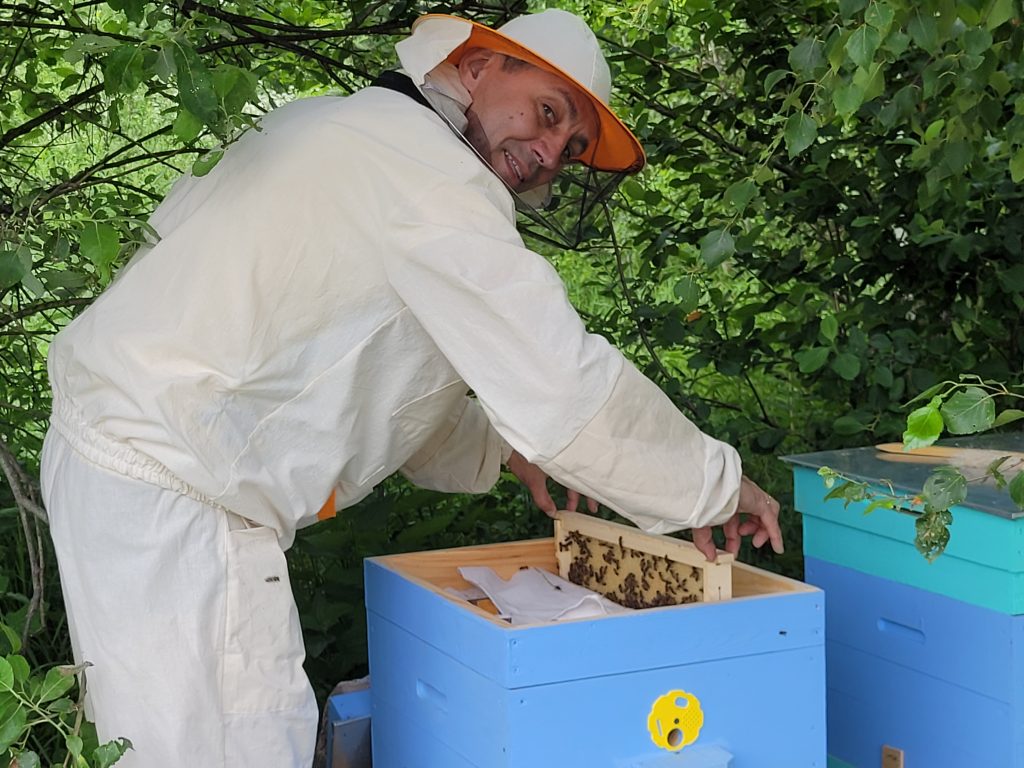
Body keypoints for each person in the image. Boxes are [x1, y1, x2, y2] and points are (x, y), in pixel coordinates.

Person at [39, 9, 784, 768]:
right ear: (476, 65)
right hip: (176, 498)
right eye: (549, 113)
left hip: (122, 461)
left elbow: (368, 375)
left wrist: (504, 447)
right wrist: (715, 486)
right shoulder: (433, 180)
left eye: (572, 148)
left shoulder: (350, 130)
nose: (551, 153)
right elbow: (567, 393)